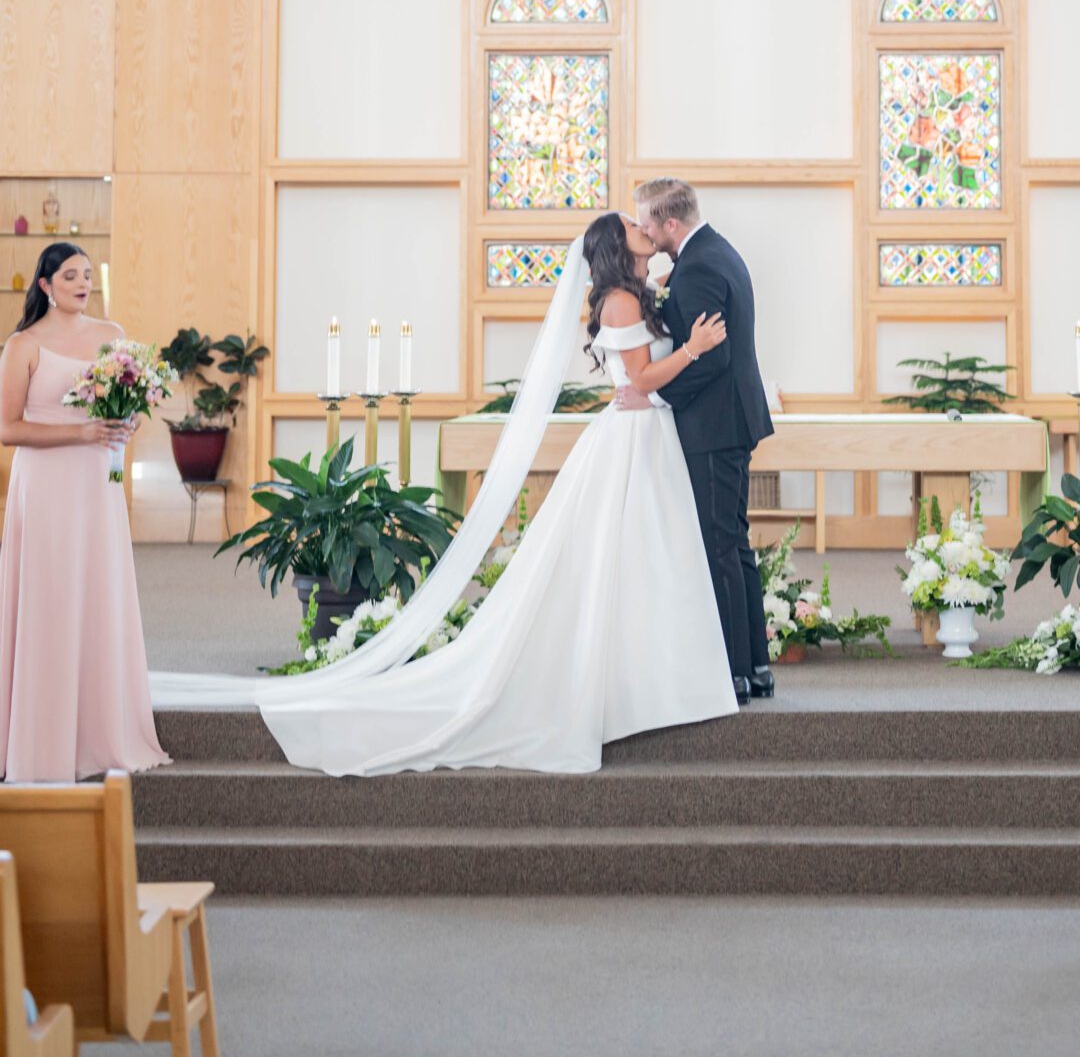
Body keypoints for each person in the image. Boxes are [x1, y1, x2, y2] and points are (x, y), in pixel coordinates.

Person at [257, 214, 738, 775]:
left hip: (647, 436)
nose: (641, 226)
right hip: (632, 439)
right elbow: (639, 382)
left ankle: (645, 680)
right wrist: (696, 348)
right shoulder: (620, 303)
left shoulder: (637, 293)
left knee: (644, 560)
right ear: (616, 244)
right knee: (623, 558)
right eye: (632, 224)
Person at [0, 243, 169, 782]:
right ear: (45, 285)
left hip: (97, 483)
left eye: (88, 275)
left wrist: (125, 422)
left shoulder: (112, 337)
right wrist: (80, 431)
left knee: (96, 594)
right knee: (48, 598)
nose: (82, 283)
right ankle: (40, 737)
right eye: (70, 275)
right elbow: (6, 428)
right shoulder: (22, 345)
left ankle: (99, 729)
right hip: (44, 486)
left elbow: (130, 404)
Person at [632, 178, 774, 705]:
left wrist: (657, 398)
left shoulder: (700, 267)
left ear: (670, 223)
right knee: (734, 544)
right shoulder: (714, 252)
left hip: (713, 426)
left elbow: (709, 356)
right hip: (728, 421)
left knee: (720, 547)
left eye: (647, 220)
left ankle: (733, 673)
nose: (643, 230)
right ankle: (755, 667)